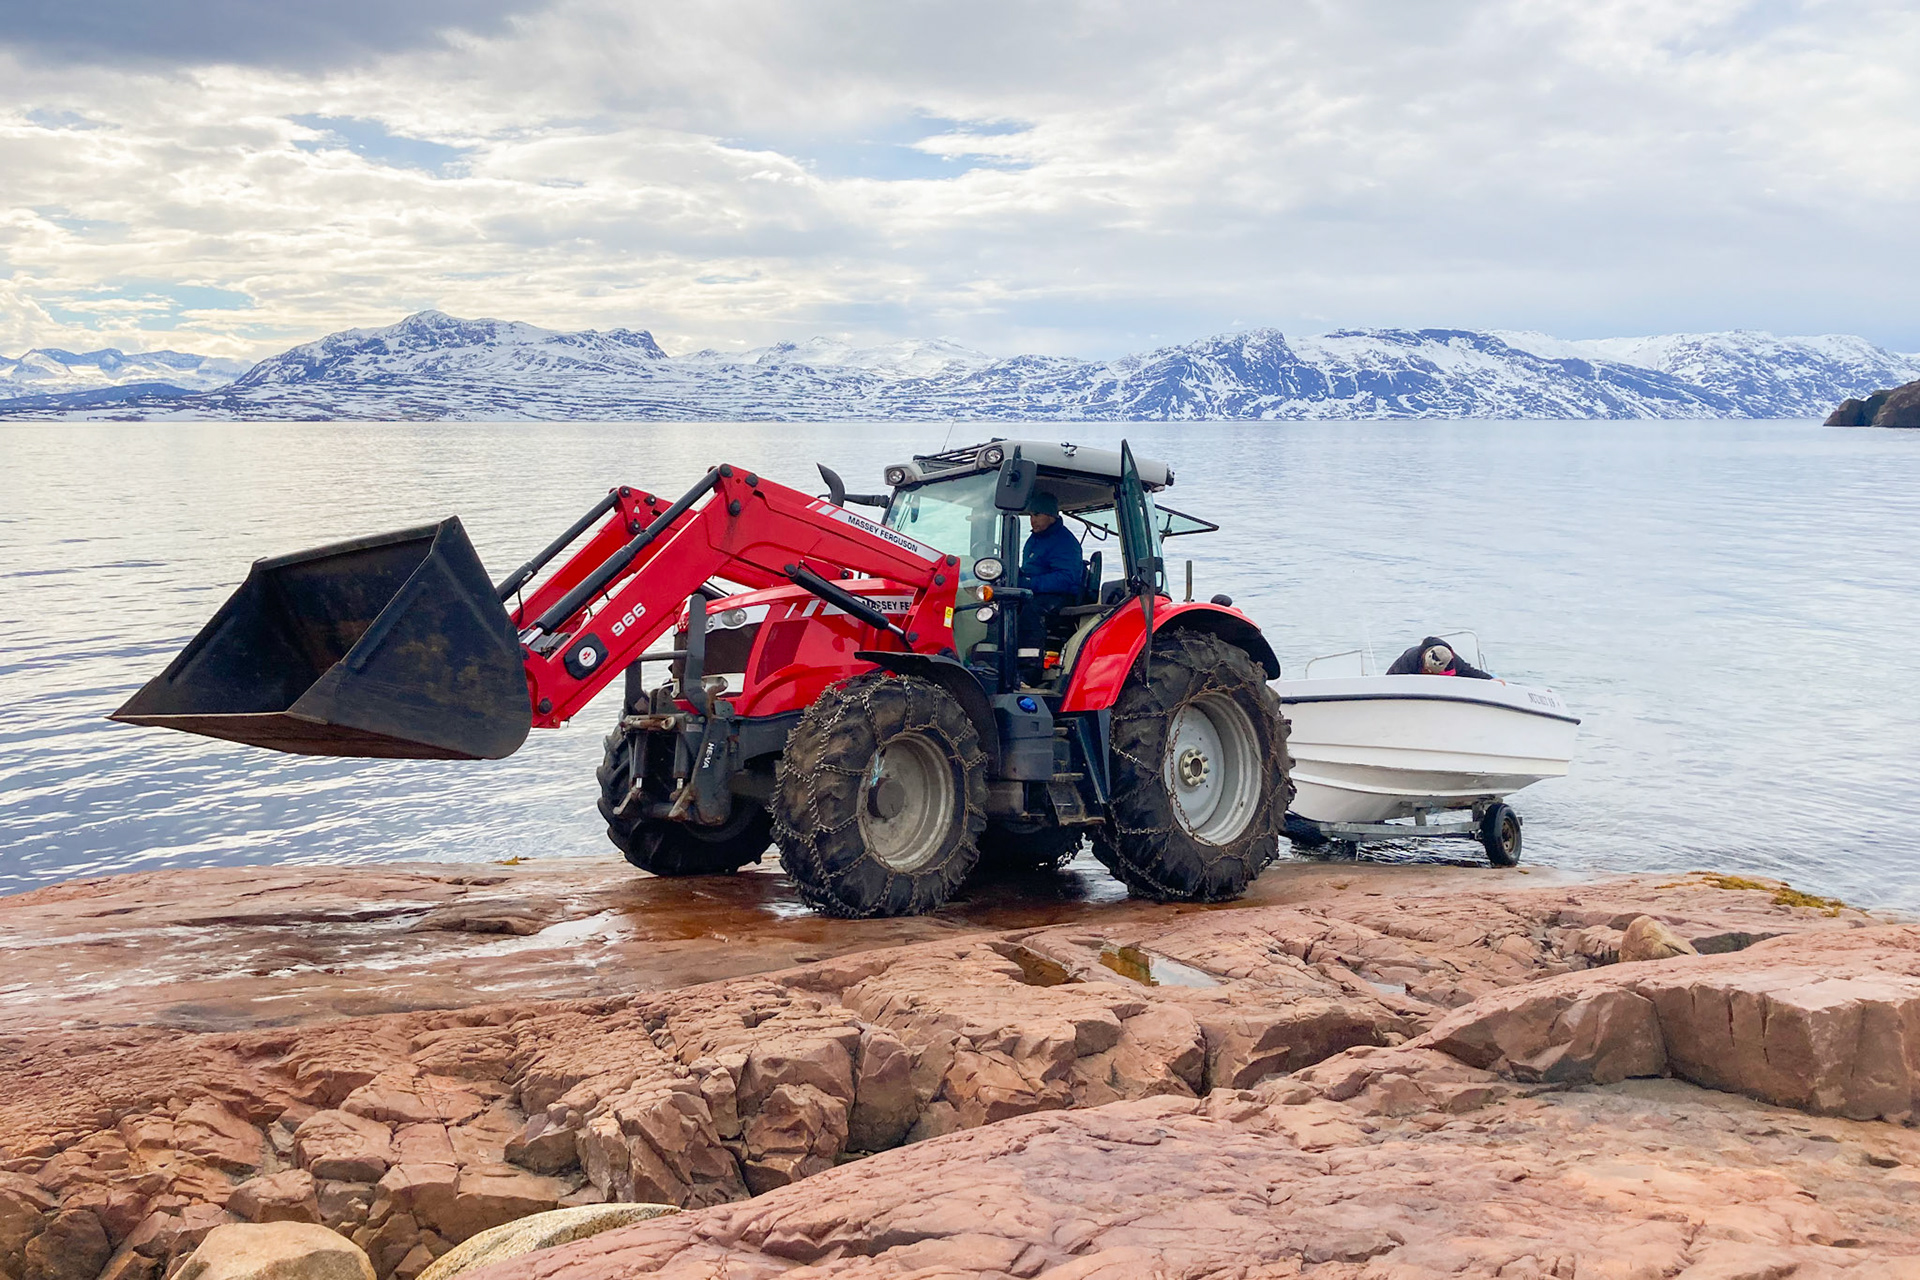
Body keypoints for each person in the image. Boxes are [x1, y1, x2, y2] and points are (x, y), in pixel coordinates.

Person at [1015, 493, 1085, 670]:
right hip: (1035, 591)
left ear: (1051, 515)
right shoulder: (1035, 539)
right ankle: (993, 659)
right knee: (1000, 606)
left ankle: (1027, 670)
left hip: (1060, 596)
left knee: (1032, 611)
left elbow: (1067, 579)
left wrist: (1029, 583)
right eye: (1030, 515)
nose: (1032, 520)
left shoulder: (1065, 542)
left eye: (1037, 515)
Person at [1387, 637, 1493, 679]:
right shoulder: (1410, 658)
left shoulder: (1452, 661)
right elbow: (1392, 679)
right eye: (1428, 670)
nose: (1430, 672)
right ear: (1424, 658)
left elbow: (1469, 671)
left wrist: (1491, 679)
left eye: (1433, 672)